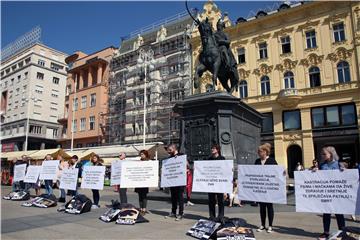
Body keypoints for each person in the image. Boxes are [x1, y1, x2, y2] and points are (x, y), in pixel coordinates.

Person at [316, 146, 345, 240]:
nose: (322, 155)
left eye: (324, 154)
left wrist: (345, 172)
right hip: (326, 193)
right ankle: (326, 232)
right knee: (326, 214)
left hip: (337, 193)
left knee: (339, 214)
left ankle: (342, 232)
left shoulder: (339, 164)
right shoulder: (321, 165)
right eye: (322, 154)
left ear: (331, 154)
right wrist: (314, 171)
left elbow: (346, 177)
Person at [255, 143, 277, 233]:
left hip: (269, 189)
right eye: (258, 151)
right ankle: (263, 225)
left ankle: (270, 225)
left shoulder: (272, 161)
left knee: (269, 207)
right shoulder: (257, 161)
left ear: (265, 152)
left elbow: (277, 172)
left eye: (260, 151)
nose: (258, 153)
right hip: (260, 188)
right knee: (262, 207)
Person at [165, 144, 185, 221]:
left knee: (180, 198)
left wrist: (179, 159)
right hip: (172, 181)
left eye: (170, 150)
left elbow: (186, 165)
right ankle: (173, 212)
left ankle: (180, 213)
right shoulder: (170, 158)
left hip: (180, 181)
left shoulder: (181, 155)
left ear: (174, 148)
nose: (168, 151)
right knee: (173, 197)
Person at [207, 144, 226, 223]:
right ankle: (212, 216)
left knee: (220, 200)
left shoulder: (222, 159)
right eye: (211, 148)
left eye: (214, 148)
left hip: (219, 183)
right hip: (211, 182)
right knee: (211, 200)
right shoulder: (209, 159)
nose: (212, 149)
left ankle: (221, 216)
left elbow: (225, 169)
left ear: (217, 150)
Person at [135, 150, 150, 215]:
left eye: (143, 154)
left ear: (146, 155)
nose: (142, 155)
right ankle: (141, 208)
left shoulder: (149, 162)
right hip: (138, 182)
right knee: (140, 196)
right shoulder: (138, 162)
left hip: (145, 182)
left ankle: (144, 209)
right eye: (141, 154)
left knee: (144, 196)